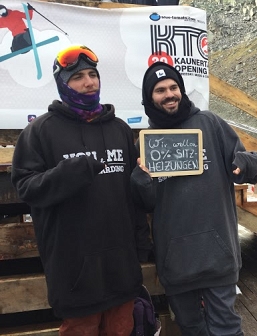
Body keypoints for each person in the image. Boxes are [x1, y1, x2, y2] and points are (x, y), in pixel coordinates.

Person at [11, 45, 152, 335]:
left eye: (92, 75)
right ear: (62, 83)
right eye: (77, 77)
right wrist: (70, 172)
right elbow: (26, 188)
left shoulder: (120, 130)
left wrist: (140, 246)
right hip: (74, 270)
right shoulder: (39, 132)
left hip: (121, 268)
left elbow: (132, 197)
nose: (88, 83)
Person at [131, 61, 257, 335]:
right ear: (149, 98)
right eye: (160, 90)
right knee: (191, 328)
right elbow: (145, 202)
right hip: (176, 261)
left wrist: (244, 164)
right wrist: (140, 181)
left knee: (226, 327)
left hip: (218, 255)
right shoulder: (146, 142)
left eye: (173, 87)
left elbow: (252, 164)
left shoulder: (210, 123)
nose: (169, 94)